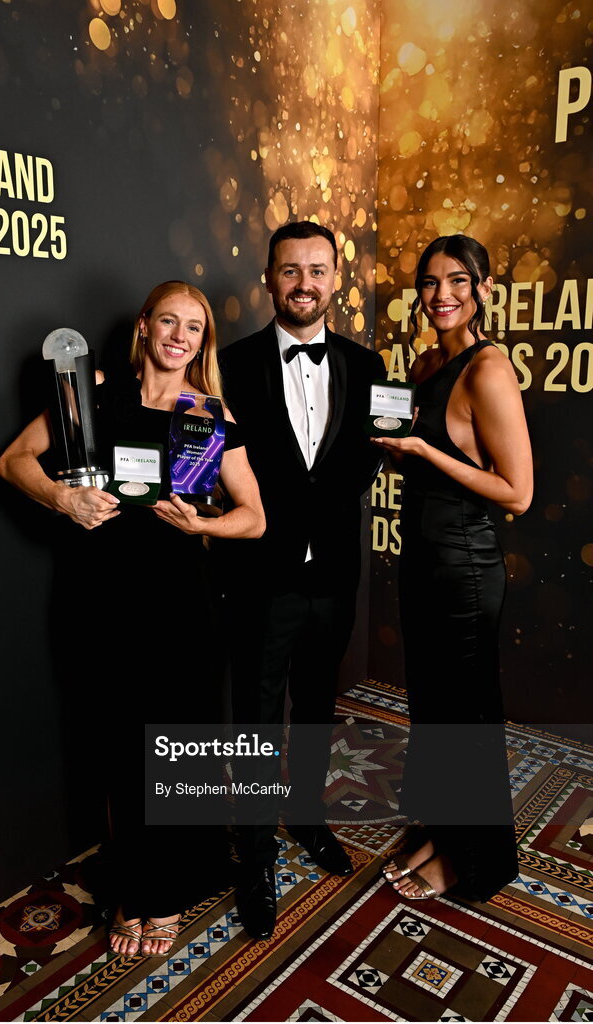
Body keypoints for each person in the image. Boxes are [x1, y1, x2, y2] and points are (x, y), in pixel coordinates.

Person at [0, 281, 264, 957]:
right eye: (168, 321)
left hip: (179, 602)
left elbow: (254, 517)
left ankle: (168, 892)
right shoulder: (91, 392)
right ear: (144, 326)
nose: (180, 336)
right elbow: (12, 461)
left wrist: (203, 522)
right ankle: (135, 889)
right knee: (121, 748)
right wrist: (62, 497)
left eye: (195, 328)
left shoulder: (205, 411)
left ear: (203, 343)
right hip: (102, 599)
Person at [217, 221, 386, 939]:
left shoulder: (366, 363)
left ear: (336, 279)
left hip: (337, 574)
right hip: (261, 575)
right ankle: (254, 860)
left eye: (318, 270)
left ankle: (308, 818)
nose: (305, 283)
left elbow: (370, 458)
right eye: (291, 270)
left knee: (317, 704)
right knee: (256, 720)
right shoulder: (227, 364)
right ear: (269, 278)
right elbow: (209, 456)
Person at [371, 235, 532, 901]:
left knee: (465, 720)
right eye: (431, 282)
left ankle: (476, 859)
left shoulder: (488, 368)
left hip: (466, 569)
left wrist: (425, 454)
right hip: (424, 560)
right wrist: (393, 447)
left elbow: (515, 491)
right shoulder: (429, 360)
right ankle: (443, 829)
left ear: (485, 289)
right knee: (435, 713)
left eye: (458, 281)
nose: (442, 295)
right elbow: (425, 452)